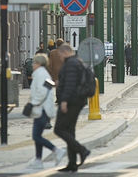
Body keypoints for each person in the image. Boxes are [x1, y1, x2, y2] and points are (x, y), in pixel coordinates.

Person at [54, 44, 91, 172]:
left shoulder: (70, 64)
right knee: (69, 131)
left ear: (65, 52)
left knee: (59, 129)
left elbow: (70, 84)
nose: (60, 57)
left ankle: (82, 150)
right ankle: (72, 164)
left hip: (71, 102)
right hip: (77, 101)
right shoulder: (77, 62)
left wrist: (63, 101)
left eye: (60, 55)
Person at [27, 54, 65, 169]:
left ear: (38, 64)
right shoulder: (42, 73)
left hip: (41, 109)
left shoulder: (40, 74)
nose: (32, 65)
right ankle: (38, 160)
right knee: (37, 135)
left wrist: (33, 103)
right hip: (42, 108)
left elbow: (42, 92)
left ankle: (57, 150)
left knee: (36, 136)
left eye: (34, 63)